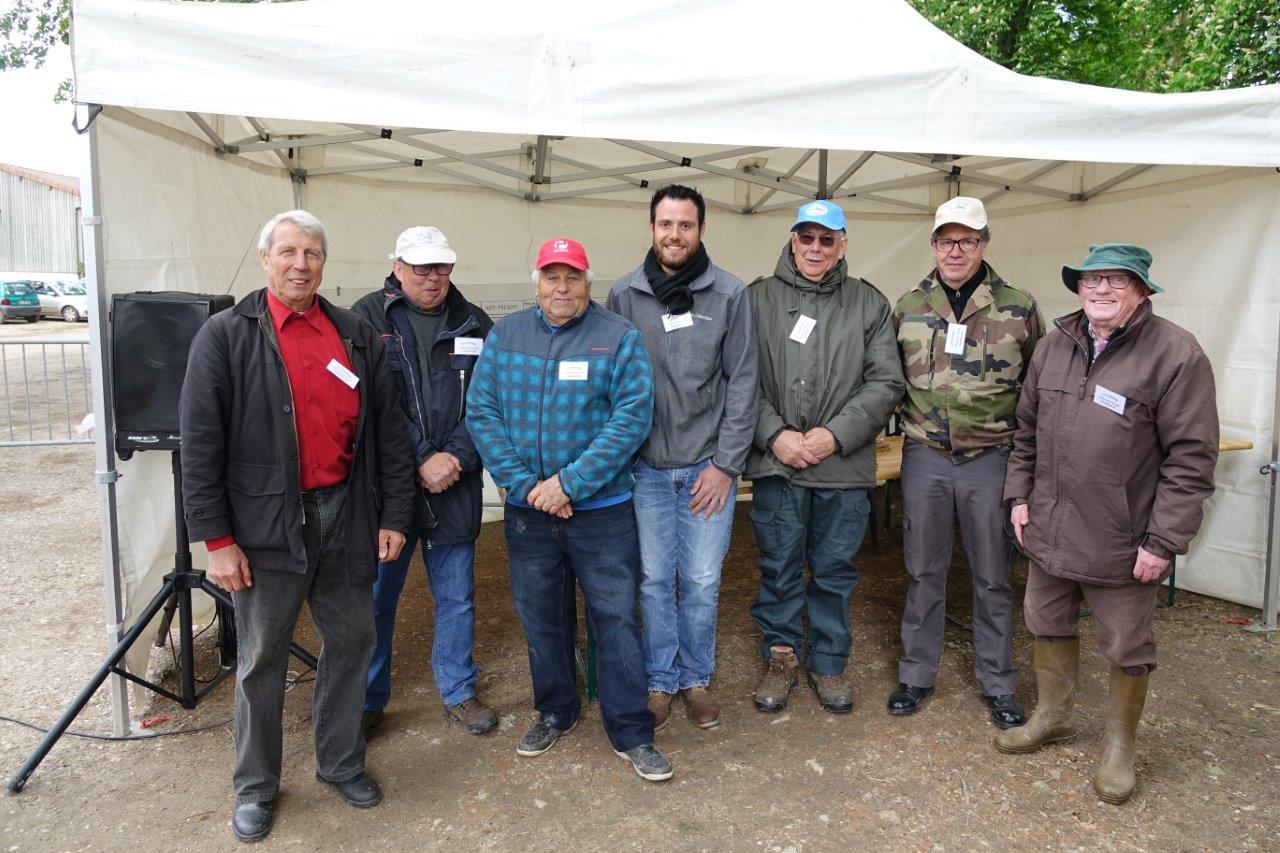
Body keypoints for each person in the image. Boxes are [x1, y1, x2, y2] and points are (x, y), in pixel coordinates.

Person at [179, 210, 415, 842]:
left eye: (311, 253)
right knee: (260, 657)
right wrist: (218, 541)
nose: (300, 264)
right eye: (287, 252)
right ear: (265, 259)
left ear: (323, 264)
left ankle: (339, 763)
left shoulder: (357, 335)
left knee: (352, 641)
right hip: (264, 527)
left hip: (346, 516)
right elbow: (199, 447)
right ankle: (255, 787)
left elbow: (390, 435)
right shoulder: (225, 337)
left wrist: (394, 513)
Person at [996, 243, 1218, 805]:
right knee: (1045, 621)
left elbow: (1192, 459)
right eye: (1091, 280)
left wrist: (1164, 540)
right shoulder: (1054, 345)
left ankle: (1120, 748)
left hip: (1122, 539)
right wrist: (1019, 496)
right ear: (1078, 288)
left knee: (1126, 646)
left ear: (1142, 290)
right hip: (1049, 526)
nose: (1101, 290)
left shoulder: (1175, 354)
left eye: (1116, 280)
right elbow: (1025, 432)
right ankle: (1053, 716)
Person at [466, 237, 673, 781]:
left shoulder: (617, 338)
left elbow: (631, 418)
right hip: (528, 510)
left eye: (573, 277)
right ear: (536, 280)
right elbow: (481, 411)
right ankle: (556, 709)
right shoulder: (505, 335)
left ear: (588, 282)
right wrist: (525, 484)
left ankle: (630, 730)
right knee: (542, 618)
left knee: (616, 620)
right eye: (552, 277)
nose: (562, 288)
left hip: (601, 510)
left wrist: (569, 484)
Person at [606, 185, 758, 731]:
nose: (675, 235)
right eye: (665, 224)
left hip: (706, 469)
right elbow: (610, 382)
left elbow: (744, 383)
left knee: (698, 579)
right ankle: (659, 680)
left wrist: (726, 465)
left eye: (686, 225)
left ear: (701, 230)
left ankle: (695, 678)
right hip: (645, 468)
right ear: (651, 228)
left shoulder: (730, 295)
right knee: (650, 579)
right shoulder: (624, 295)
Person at [889, 197, 1043, 727]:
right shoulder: (909, 305)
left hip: (991, 457)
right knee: (923, 570)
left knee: (994, 574)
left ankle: (998, 683)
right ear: (933, 245)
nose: (956, 250)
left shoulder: (1019, 306)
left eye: (968, 240)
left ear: (984, 243)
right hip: (925, 455)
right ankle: (914, 675)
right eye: (946, 240)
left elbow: (1035, 391)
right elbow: (890, 383)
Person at [745, 200, 904, 714]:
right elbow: (738, 379)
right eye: (806, 237)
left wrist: (834, 436)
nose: (816, 248)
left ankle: (830, 661)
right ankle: (782, 655)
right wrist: (775, 435)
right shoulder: (757, 300)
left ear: (843, 245)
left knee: (835, 569)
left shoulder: (868, 303)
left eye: (826, 239)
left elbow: (886, 382)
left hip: (842, 467)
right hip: (779, 467)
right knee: (780, 565)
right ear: (792, 240)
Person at [351, 226, 497, 739]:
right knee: (375, 599)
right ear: (396, 266)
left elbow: (488, 403)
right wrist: (420, 458)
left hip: (455, 483)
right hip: (390, 487)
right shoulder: (365, 320)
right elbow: (369, 402)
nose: (432, 277)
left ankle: (459, 691)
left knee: (457, 596)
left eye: (441, 267)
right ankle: (368, 699)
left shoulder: (475, 321)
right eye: (420, 267)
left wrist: (453, 456)